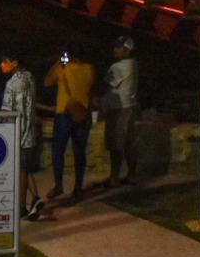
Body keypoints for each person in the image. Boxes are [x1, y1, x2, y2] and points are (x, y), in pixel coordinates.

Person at [43, 45, 94, 200]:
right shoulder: (89, 69)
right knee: (80, 152)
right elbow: (89, 90)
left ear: (69, 55)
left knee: (58, 151)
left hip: (63, 113)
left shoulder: (62, 68)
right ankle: (78, 188)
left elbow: (47, 82)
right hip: (81, 113)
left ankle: (59, 185)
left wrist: (59, 62)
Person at [0, 49, 43, 220]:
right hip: (30, 132)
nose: (3, 65)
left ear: (15, 63)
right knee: (25, 169)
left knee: (21, 172)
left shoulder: (12, 83)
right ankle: (36, 199)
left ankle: (21, 208)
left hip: (18, 133)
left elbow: (7, 112)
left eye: (6, 61)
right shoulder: (29, 77)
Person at [101, 35, 139, 187]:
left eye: (118, 47)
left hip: (118, 109)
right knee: (130, 144)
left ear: (127, 50)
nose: (115, 50)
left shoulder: (117, 67)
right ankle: (132, 176)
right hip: (131, 106)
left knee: (116, 144)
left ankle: (114, 178)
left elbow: (106, 85)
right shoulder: (134, 64)